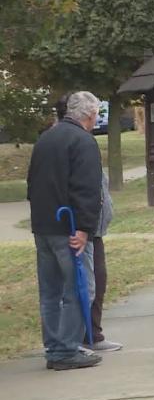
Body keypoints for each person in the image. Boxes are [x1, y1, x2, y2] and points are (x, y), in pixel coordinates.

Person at [28, 91, 103, 370]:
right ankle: (66, 349)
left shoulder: (46, 138)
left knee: (50, 291)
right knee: (80, 289)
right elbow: (87, 188)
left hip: (44, 225)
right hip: (69, 227)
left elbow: (32, 182)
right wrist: (85, 228)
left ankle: (54, 346)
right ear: (89, 114)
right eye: (96, 114)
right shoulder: (83, 141)